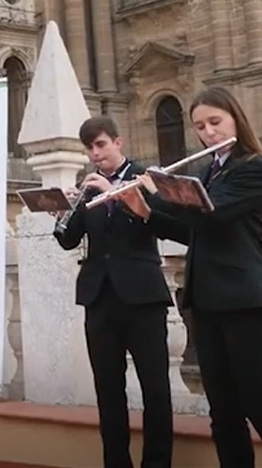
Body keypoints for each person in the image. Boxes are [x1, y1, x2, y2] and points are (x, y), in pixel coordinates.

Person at [120, 87, 262, 466]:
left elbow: (213, 213)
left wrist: (158, 190)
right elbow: (195, 231)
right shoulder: (209, 172)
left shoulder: (252, 167)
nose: (208, 132)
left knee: (257, 401)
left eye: (215, 122)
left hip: (245, 303)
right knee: (224, 413)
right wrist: (146, 211)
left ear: (235, 119)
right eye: (200, 125)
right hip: (207, 302)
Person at [54, 117, 188, 468]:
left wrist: (127, 197)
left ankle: (157, 464)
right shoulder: (89, 187)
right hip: (99, 297)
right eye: (89, 148)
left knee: (156, 389)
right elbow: (68, 239)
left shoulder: (147, 178)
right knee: (108, 389)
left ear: (118, 142)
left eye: (100, 145)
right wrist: (63, 210)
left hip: (143, 296)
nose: (95, 154)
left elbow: (169, 222)